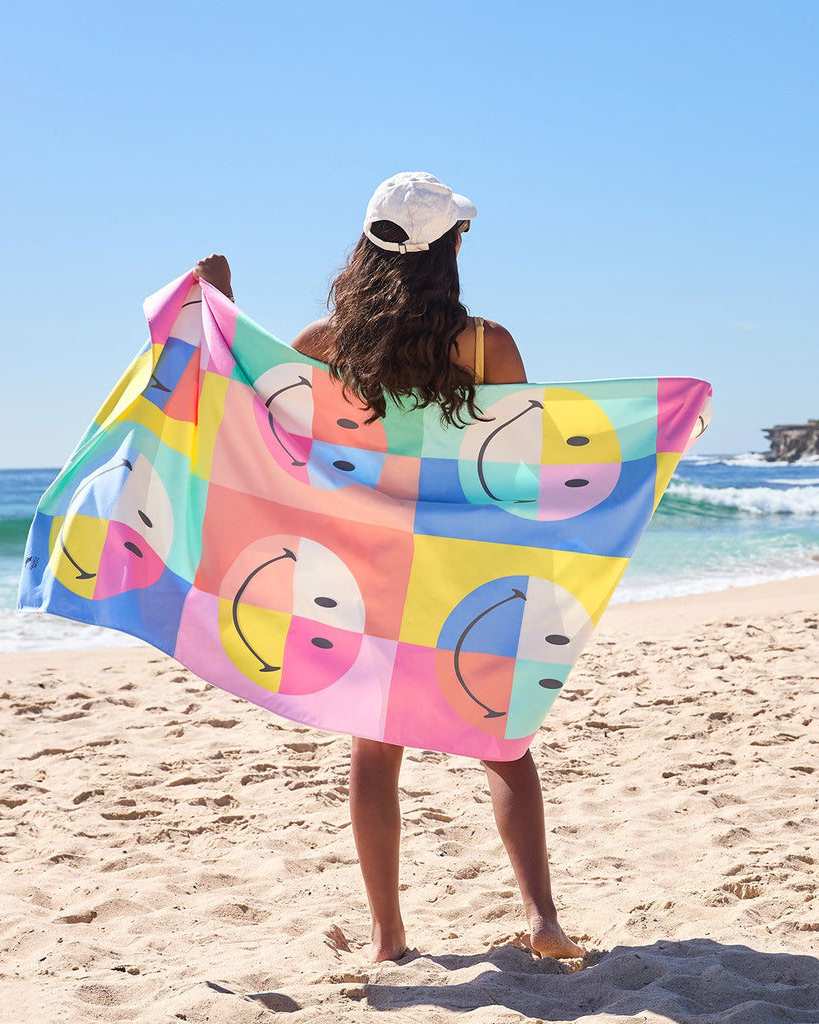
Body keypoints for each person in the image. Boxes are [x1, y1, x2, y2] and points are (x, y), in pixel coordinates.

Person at [193, 172, 585, 965]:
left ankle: (387, 938)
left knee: (374, 750)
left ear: (366, 248)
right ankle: (542, 920)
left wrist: (220, 314)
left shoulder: (323, 345)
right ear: (451, 249)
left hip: (364, 571)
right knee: (503, 741)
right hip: (462, 572)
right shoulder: (487, 345)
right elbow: (516, 462)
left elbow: (250, 413)